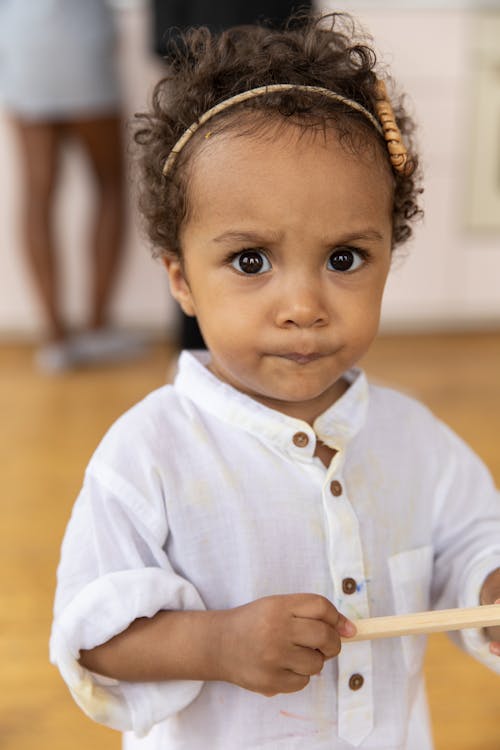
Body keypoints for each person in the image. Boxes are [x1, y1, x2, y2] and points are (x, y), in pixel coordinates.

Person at [50, 12, 500, 749]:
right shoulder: (149, 453)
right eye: (251, 260)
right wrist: (217, 643)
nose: (304, 308)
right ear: (181, 279)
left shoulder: (416, 439)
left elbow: (475, 543)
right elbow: (93, 636)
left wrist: (490, 589)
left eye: (346, 259)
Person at [150, 0, 313, 352]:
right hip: (199, 96)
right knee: (202, 225)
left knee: (273, 221)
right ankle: (196, 348)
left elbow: (302, 21)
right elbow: (163, 34)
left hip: (280, 100)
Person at [0, 0, 140, 371]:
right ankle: (97, 326)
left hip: (22, 42)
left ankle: (55, 338)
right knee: (109, 184)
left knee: (37, 194)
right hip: (81, 41)